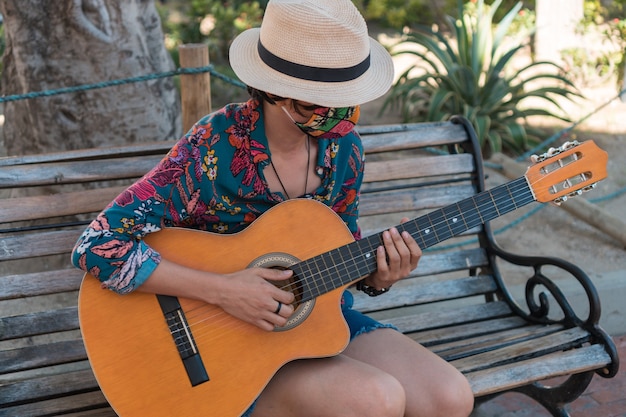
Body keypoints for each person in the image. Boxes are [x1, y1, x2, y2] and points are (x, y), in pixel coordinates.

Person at [71, 0, 474, 416]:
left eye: (348, 95)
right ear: (276, 89)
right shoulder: (213, 146)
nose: (343, 112)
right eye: (326, 97)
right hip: (219, 352)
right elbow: (96, 245)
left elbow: (340, 253)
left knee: (449, 397)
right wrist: (227, 291)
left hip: (312, 320)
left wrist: (380, 274)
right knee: (376, 400)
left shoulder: (345, 150)